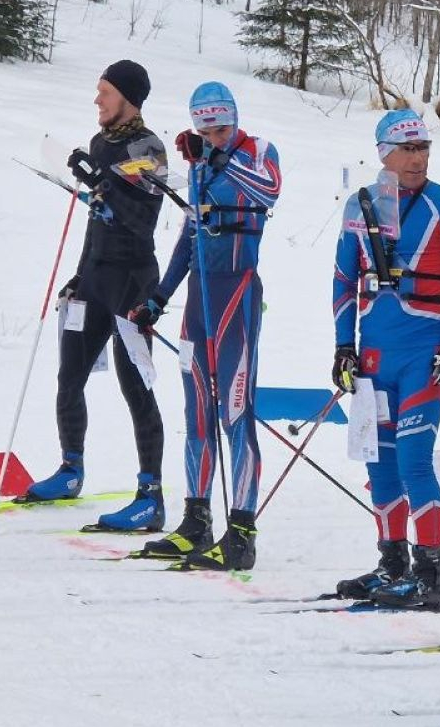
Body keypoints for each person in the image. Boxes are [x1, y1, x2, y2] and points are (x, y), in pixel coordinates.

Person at [327, 109, 440, 609]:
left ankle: (428, 572)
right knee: (382, 462)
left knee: (416, 460)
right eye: (407, 149)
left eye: (424, 149)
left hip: (424, 354)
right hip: (374, 356)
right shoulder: (361, 204)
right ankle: (391, 562)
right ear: (384, 154)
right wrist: (342, 344)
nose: (418, 159)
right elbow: (343, 280)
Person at [134, 81, 281, 569]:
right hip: (200, 300)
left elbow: (268, 190)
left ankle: (241, 533)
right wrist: (158, 297)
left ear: (233, 119)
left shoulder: (258, 151)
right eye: (205, 129)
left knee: (235, 414)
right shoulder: (200, 165)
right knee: (196, 415)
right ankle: (196, 522)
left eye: (220, 127)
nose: (214, 136)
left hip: (237, 293)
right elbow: (188, 237)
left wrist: (216, 157)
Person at [20, 60, 170, 533]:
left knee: (135, 388)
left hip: (133, 281)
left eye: (104, 92)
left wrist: (100, 183)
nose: (97, 100)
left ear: (128, 96)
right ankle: (70, 470)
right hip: (96, 278)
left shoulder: (148, 147)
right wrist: (78, 276)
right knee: (69, 377)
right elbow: (95, 216)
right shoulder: (102, 142)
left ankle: (151, 497)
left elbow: (140, 217)